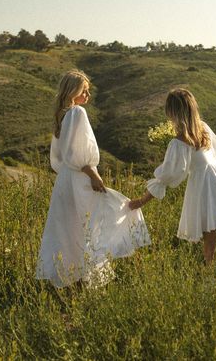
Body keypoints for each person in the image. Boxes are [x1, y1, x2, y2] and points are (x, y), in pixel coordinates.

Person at [36, 69, 150, 287]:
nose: (87, 96)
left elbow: (61, 157)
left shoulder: (61, 115)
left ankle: (70, 278)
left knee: (68, 228)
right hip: (79, 178)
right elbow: (77, 154)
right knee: (95, 220)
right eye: (84, 91)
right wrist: (93, 175)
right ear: (73, 91)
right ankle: (82, 278)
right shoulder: (77, 112)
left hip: (64, 181)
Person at [129, 88, 216, 278]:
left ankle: (215, 291)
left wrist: (141, 201)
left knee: (211, 249)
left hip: (207, 190)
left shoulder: (179, 143)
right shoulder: (203, 129)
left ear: (173, 113)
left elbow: (167, 177)